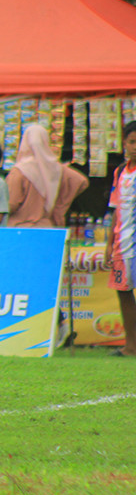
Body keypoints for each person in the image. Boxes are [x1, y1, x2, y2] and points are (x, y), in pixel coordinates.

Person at [6, 124, 89, 228]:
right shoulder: (56, 168)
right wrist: (60, 204)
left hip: (20, 228)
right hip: (47, 226)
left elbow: (11, 204)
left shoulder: (19, 171)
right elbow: (81, 181)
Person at [104, 120, 136, 357]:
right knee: (124, 293)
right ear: (124, 143)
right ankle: (131, 345)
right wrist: (108, 243)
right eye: (132, 142)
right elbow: (116, 210)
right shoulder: (119, 172)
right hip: (123, 244)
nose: (135, 147)